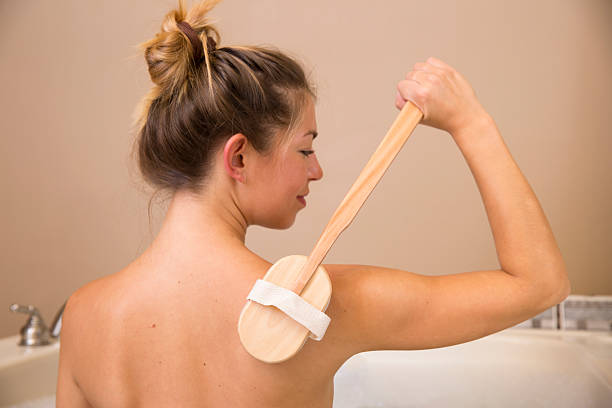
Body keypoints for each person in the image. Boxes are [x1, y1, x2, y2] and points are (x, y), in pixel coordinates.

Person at [56, 0, 570, 406]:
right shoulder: (317, 309)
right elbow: (539, 284)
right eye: (305, 148)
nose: (317, 170)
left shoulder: (83, 317)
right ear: (238, 156)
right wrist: (470, 122)